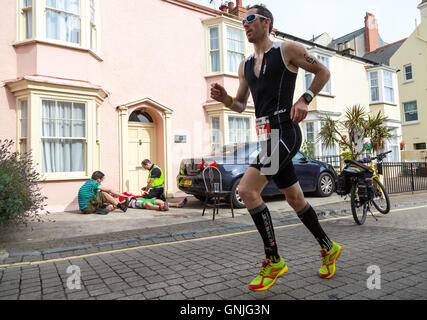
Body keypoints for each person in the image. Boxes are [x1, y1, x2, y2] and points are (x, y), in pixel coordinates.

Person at [210, 4, 342, 291]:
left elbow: (323, 72)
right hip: (266, 136)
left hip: (286, 130)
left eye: (250, 19)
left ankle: (273, 260)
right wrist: (224, 99)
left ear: (266, 22)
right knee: (295, 199)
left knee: (246, 190)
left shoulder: (288, 50)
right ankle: (328, 247)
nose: (245, 24)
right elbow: (242, 104)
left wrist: (305, 98)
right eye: (242, 21)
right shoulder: (245, 66)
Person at [118, 192, 188, 211]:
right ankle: (160, 208)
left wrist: (142, 194)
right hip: (133, 202)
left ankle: (176, 204)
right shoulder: (119, 198)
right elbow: (123, 204)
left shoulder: (125, 192)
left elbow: (135, 195)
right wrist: (128, 198)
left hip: (141, 198)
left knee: (158, 201)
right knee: (147, 204)